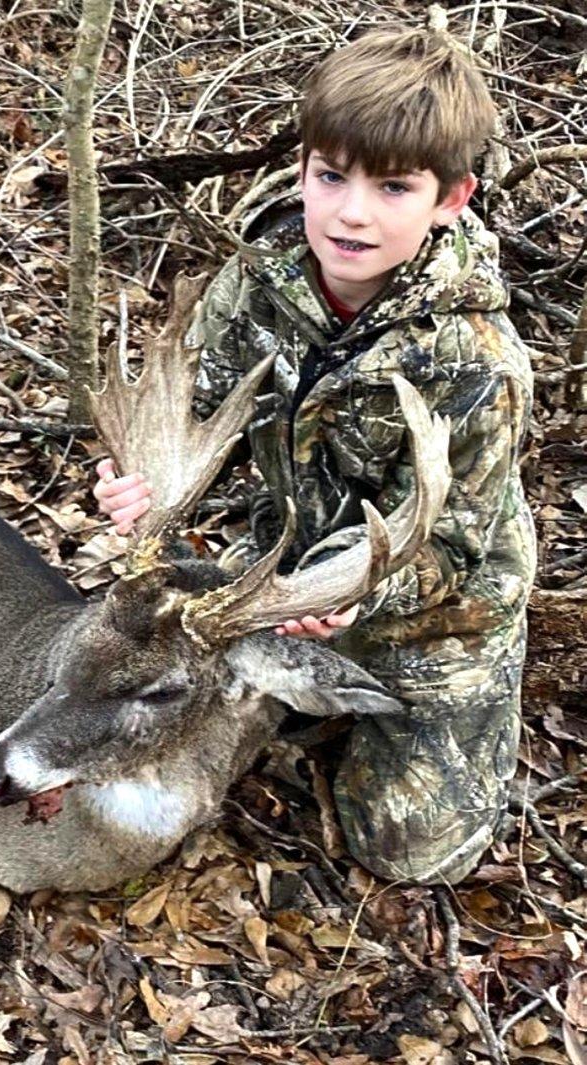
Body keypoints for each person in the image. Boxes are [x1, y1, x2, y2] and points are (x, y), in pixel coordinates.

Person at [95, 26, 536, 885]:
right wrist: (146, 487)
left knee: (408, 853)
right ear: (301, 170)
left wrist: (358, 590)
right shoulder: (260, 280)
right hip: (280, 574)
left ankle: (471, 706)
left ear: (452, 198)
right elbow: (198, 410)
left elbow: (453, 547)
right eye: (330, 176)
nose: (351, 212)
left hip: (432, 615)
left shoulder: (479, 360)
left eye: (393, 187)